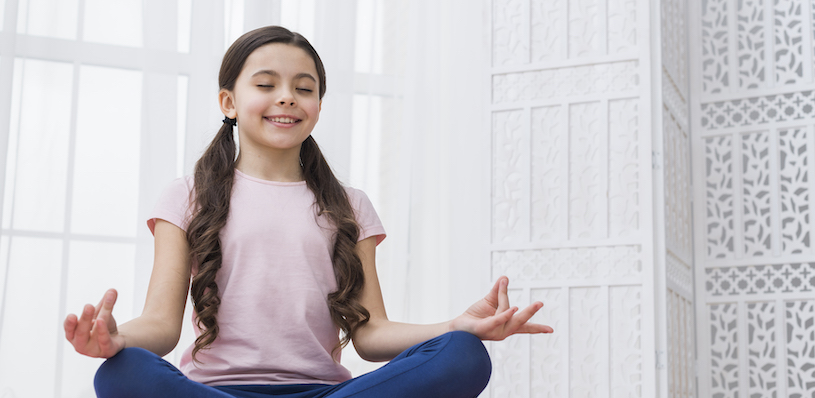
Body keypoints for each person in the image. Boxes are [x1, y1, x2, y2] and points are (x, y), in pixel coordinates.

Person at [63, 26, 552, 398]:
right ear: (229, 102)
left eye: (304, 87)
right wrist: (115, 337)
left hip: (325, 392)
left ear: (318, 104)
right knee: (121, 371)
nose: (286, 97)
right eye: (266, 83)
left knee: (465, 356)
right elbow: (162, 326)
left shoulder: (350, 205)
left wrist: (454, 327)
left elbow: (370, 333)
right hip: (213, 391)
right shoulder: (187, 196)